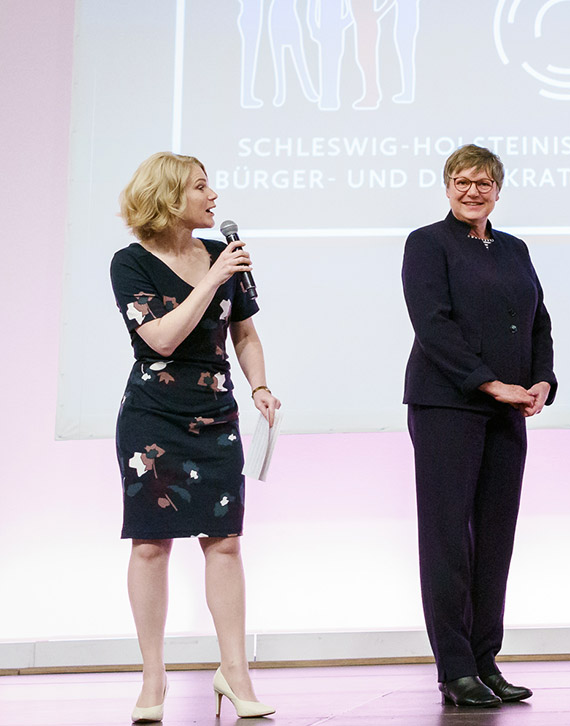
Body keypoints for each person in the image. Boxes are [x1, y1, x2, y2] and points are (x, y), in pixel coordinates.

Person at [111, 151, 281, 722]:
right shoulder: (130, 262)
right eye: (201, 188)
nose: (214, 197)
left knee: (225, 542)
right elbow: (160, 338)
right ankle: (152, 676)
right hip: (153, 421)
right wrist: (212, 277)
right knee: (151, 544)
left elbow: (246, 332)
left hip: (216, 417)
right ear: (168, 197)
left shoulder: (222, 256)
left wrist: (259, 386)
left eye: (212, 187)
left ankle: (235, 673)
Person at [402, 144, 557, 708]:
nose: (473, 191)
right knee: (448, 540)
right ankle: (455, 666)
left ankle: (486, 660)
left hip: (509, 409)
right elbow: (433, 325)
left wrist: (542, 380)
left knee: (495, 539)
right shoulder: (427, 243)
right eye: (462, 181)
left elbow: (538, 318)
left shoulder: (514, 248)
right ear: (447, 186)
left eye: (484, 182)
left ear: (498, 188)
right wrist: (491, 383)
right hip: (447, 406)